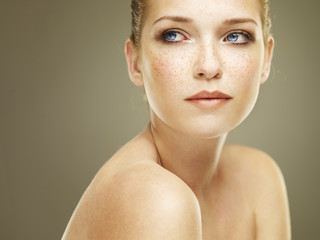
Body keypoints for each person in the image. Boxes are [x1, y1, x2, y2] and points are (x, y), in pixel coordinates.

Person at [62, 0, 291, 239]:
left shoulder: (258, 179)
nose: (209, 66)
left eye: (235, 36)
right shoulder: (156, 200)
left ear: (266, 59)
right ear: (136, 63)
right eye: (173, 35)